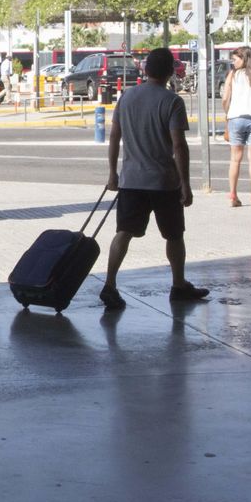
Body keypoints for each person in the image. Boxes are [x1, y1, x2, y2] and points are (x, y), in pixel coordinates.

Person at [100, 47, 209, 311]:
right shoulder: (172, 101)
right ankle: (178, 285)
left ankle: (110, 284)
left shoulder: (127, 97)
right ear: (171, 72)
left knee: (123, 233)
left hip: (131, 181)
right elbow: (179, 145)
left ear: (145, 69)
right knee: (174, 235)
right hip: (164, 182)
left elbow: (114, 136)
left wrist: (113, 173)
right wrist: (185, 183)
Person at [221, 45, 251, 207]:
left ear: (244, 59)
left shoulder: (233, 75)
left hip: (236, 118)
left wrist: (227, 112)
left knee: (235, 159)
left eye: (235, 59)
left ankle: (233, 195)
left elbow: (225, 98)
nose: (233, 63)